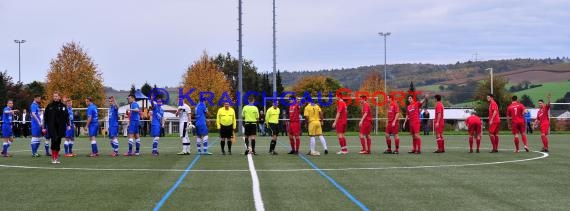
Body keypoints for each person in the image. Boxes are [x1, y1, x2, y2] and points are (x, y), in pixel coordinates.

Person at [44, 92, 70, 163]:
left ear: (59, 97)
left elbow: (66, 116)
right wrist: (44, 127)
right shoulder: (49, 106)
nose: (55, 97)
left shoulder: (63, 106)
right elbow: (45, 117)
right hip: (52, 127)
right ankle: (53, 158)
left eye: (56, 96)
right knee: (54, 140)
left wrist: (68, 125)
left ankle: (56, 158)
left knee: (58, 142)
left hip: (60, 127)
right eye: (54, 96)